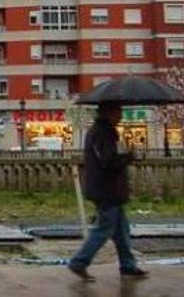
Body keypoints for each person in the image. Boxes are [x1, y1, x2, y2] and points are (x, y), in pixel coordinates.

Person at [68, 102, 149, 281]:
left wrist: (124, 155)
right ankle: (79, 262)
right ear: (109, 112)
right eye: (118, 111)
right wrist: (128, 157)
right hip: (107, 189)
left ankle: (128, 264)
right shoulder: (104, 132)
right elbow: (107, 161)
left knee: (121, 229)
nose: (120, 115)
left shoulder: (101, 131)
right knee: (104, 228)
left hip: (107, 189)